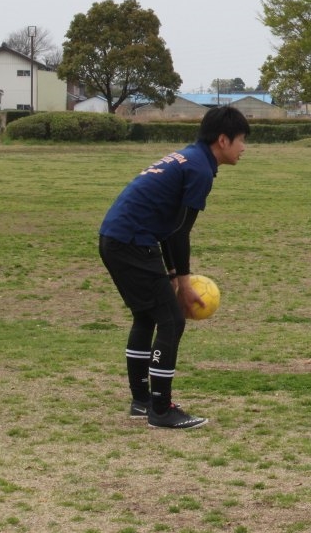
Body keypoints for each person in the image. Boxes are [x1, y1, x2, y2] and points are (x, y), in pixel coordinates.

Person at [99, 106, 250, 429]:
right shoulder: (199, 170)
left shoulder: (190, 158)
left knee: (146, 315)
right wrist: (184, 282)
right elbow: (180, 232)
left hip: (117, 238)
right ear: (223, 140)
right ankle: (161, 410)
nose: (244, 148)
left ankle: (142, 402)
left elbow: (170, 228)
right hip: (132, 243)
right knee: (171, 321)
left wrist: (171, 274)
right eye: (241, 140)